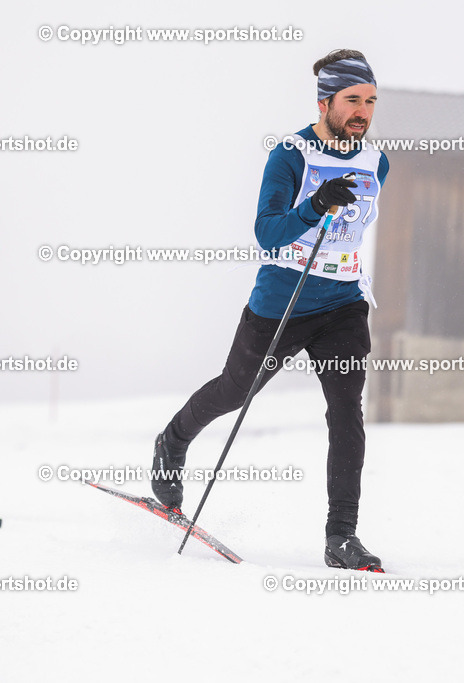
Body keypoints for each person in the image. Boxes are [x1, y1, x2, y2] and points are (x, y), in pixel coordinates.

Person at [151, 50, 389, 571]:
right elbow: (268, 233)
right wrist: (314, 205)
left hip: (345, 304)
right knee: (236, 392)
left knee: (346, 412)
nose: (363, 112)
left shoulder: (377, 162)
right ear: (324, 101)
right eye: (352, 100)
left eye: (371, 101)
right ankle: (172, 441)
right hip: (283, 302)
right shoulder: (290, 156)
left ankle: (341, 537)